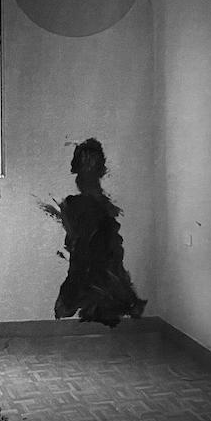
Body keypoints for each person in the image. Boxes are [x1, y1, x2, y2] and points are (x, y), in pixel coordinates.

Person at [53, 138, 147, 327]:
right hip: (88, 250)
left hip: (97, 248)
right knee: (90, 273)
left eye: (93, 164)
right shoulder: (77, 204)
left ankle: (116, 305)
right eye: (85, 164)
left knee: (102, 273)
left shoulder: (96, 206)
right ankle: (80, 305)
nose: (88, 169)